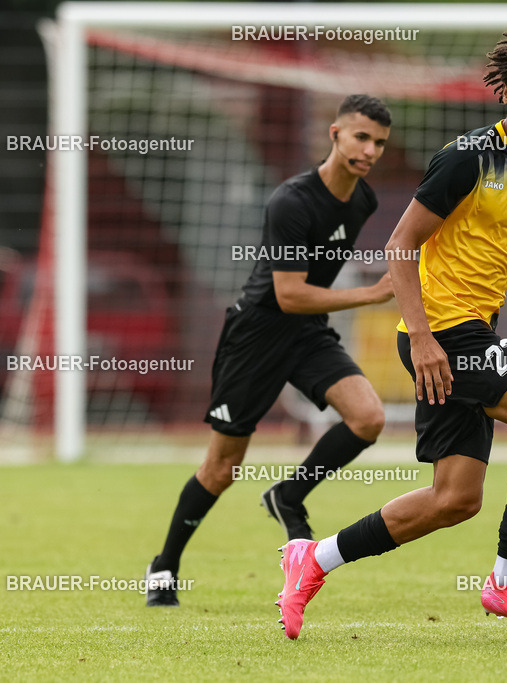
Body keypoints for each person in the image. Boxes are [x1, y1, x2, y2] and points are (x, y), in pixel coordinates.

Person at [274, 32, 507, 640]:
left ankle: (314, 557)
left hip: (471, 332)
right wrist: (427, 338)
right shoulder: (466, 158)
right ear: (503, 97)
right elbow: (401, 245)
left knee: (455, 498)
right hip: (444, 335)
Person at [145, 95, 395, 607]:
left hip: (306, 335)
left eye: (379, 143)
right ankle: (164, 565)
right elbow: (289, 293)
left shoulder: (363, 200)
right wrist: (371, 292)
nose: (369, 150)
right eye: (361, 137)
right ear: (335, 134)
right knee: (222, 467)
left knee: (368, 417)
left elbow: (309, 299)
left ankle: (288, 494)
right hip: (257, 335)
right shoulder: (291, 201)